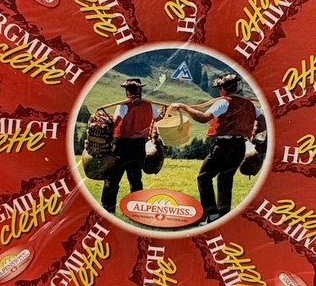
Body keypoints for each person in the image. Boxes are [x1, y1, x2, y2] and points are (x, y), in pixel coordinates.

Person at [171, 73, 265, 224]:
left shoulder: (223, 102)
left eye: (220, 88)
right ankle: (223, 216)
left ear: (223, 89)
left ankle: (211, 214)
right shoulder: (250, 105)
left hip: (223, 147)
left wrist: (184, 107)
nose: (219, 91)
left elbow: (204, 118)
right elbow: (262, 121)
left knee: (204, 177)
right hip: (240, 147)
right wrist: (255, 136)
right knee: (225, 179)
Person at [101, 78, 164, 214]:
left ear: (127, 92)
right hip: (139, 147)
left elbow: (115, 123)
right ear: (140, 90)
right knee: (135, 180)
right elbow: (159, 119)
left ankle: (108, 210)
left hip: (121, 146)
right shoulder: (150, 106)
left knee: (112, 179)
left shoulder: (123, 106)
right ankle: (136, 211)